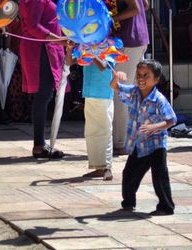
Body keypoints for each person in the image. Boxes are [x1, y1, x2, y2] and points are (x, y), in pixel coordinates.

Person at [110, 59, 177, 215]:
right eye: (139, 75)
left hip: (156, 145)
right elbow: (114, 86)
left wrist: (154, 127)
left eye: (146, 75)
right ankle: (128, 203)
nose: (141, 78)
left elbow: (171, 120)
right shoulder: (133, 92)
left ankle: (166, 207)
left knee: (159, 177)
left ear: (156, 79)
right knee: (129, 174)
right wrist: (116, 77)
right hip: (138, 144)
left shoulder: (159, 99)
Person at [19, 0, 67, 159]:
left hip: (47, 48)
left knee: (45, 95)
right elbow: (34, 26)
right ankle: (39, 144)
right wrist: (59, 40)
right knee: (43, 95)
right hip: (40, 49)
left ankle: (40, 142)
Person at [65, 41, 115, 181]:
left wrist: (91, 52)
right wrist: (69, 49)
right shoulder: (84, 47)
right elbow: (69, 62)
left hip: (104, 94)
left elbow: (104, 66)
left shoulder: (109, 47)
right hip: (90, 94)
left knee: (105, 130)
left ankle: (107, 167)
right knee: (92, 132)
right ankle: (98, 167)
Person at [111, 0, 150, 155]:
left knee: (120, 91)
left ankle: (121, 142)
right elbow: (145, 5)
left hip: (129, 40)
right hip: (136, 38)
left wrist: (113, 19)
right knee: (134, 93)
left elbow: (136, 8)